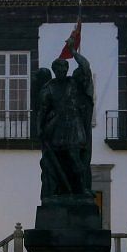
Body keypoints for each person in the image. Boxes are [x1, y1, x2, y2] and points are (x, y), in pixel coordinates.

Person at [34, 44, 93, 198]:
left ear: (66, 70)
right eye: (58, 70)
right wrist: (39, 128)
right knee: (60, 159)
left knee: (75, 157)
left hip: (74, 125)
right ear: (54, 71)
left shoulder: (73, 82)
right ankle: (60, 190)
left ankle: (83, 189)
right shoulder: (48, 88)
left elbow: (86, 68)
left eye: (63, 70)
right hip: (57, 127)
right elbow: (42, 110)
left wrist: (74, 52)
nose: (61, 72)